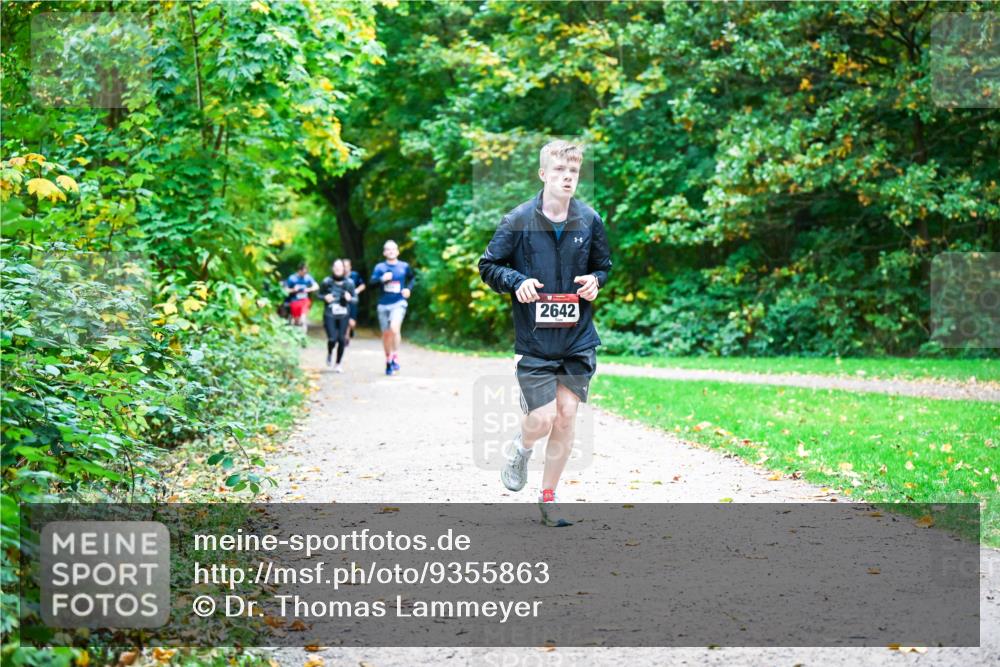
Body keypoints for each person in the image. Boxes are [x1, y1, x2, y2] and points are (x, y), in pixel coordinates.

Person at [478, 140, 611, 527]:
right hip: (535, 339)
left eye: (573, 172)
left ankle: (549, 497)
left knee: (566, 416)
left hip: (577, 337)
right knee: (542, 418)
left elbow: (603, 266)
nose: (567, 177)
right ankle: (521, 448)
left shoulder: (590, 220)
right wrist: (515, 281)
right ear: (543, 174)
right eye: (559, 171)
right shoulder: (517, 219)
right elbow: (489, 266)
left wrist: (595, 281)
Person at [369, 240, 415, 376]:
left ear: (397, 252)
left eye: (393, 249)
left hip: (399, 302)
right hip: (383, 304)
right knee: (386, 334)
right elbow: (371, 284)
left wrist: (408, 289)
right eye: (388, 249)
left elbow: (412, 278)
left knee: (395, 329)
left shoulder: (404, 266)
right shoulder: (380, 267)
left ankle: (395, 355)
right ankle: (388, 359)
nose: (391, 251)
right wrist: (382, 279)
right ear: (384, 252)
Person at [318, 259, 356, 372]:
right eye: (336, 267)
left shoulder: (349, 283)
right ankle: (330, 352)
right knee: (332, 339)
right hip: (329, 314)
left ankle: (338, 364)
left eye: (340, 267)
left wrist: (350, 298)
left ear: (344, 269)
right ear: (332, 268)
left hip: (344, 314)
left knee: (341, 339)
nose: (338, 269)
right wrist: (324, 297)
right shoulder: (326, 282)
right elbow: (318, 295)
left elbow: (356, 299)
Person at [284, 262, 318, 338]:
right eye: (303, 272)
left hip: (305, 301)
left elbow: (316, 286)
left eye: (306, 272)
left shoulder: (308, 277)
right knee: (296, 321)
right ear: (299, 271)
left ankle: (303, 337)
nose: (304, 274)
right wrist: (294, 290)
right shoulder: (292, 278)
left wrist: (308, 289)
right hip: (294, 301)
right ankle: (295, 336)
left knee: (303, 319)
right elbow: (285, 290)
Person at [343, 258, 366, 342]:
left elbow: (363, 285)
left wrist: (356, 291)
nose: (345, 268)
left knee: (352, 323)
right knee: (344, 319)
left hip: (353, 301)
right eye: (343, 266)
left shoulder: (355, 275)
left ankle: (351, 330)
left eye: (347, 266)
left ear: (350, 267)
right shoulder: (338, 276)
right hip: (342, 301)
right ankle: (346, 338)